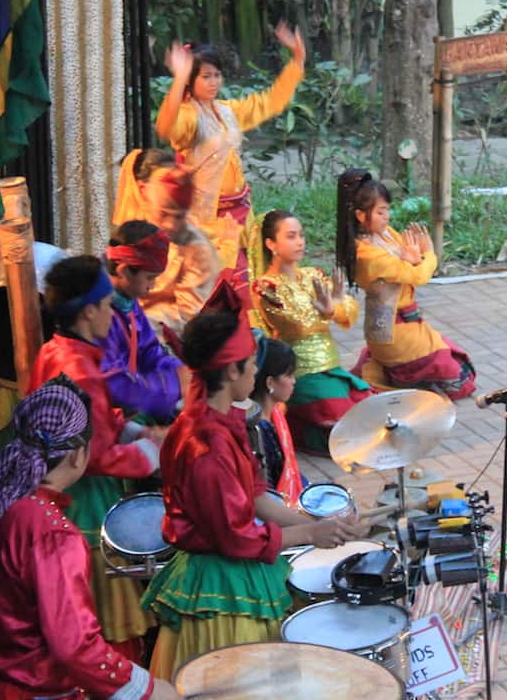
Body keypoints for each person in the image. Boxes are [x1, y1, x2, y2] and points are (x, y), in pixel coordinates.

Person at [141, 274, 363, 679]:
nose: (257, 373)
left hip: (236, 572)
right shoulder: (205, 445)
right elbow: (236, 536)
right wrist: (310, 536)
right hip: (221, 588)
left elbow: (254, 493)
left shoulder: (225, 421)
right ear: (230, 372)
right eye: (252, 365)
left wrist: (316, 522)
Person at [0, 377, 178, 700]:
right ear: (79, 454)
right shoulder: (52, 533)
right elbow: (75, 646)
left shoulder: (0, 505)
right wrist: (145, 689)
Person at [28, 255, 159, 651]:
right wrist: (151, 453)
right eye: (106, 307)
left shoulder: (56, 350)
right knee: (107, 623)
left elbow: (96, 423)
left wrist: (134, 429)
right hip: (85, 503)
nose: (111, 315)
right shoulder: (79, 369)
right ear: (88, 313)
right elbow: (93, 456)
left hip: (59, 489)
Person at [153, 23, 306, 274]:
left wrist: (297, 59)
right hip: (207, 219)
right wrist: (178, 79)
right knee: (217, 286)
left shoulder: (227, 111)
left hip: (239, 213)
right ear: (191, 81)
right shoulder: (189, 116)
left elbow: (270, 102)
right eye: (205, 76)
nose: (214, 82)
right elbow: (165, 128)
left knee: (243, 281)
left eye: (217, 75)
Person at [336, 169, 476, 400]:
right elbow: (418, 276)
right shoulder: (367, 255)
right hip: (391, 329)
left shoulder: (386, 234)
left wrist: (414, 258)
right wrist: (429, 254)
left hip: (405, 323)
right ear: (360, 215)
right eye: (381, 212)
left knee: (458, 369)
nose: (387, 217)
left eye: (388, 209)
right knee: (458, 381)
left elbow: (410, 264)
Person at [250, 209, 374, 454]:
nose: (299, 242)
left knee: (372, 411)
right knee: (345, 426)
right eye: (291, 236)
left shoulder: (312, 275)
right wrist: (330, 310)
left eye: (301, 236)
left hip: (331, 369)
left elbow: (350, 312)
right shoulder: (266, 287)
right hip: (301, 374)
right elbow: (296, 326)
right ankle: (295, 427)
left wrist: (336, 302)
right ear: (271, 244)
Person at [113, 148, 220, 337]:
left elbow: (187, 313)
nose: (170, 225)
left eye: (179, 216)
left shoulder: (197, 249)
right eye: (163, 214)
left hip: (165, 339)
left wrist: (136, 324)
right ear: (143, 192)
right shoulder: (132, 233)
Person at [102, 220, 183, 424]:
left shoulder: (128, 302)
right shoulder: (98, 314)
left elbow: (148, 350)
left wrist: (179, 370)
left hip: (133, 398)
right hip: (105, 416)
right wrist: (174, 385)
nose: (153, 286)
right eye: (150, 278)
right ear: (123, 270)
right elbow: (112, 385)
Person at [247, 335, 306, 505]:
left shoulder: (275, 414)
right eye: (289, 375)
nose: (294, 381)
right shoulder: (259, 431)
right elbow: (269, 491)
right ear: (270, 382)